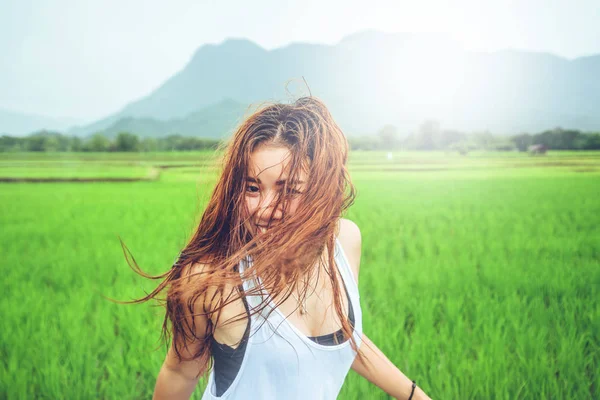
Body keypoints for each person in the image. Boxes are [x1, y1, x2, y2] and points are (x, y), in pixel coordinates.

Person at [125, 96, 431, 399]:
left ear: (320, 190)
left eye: (289, 190)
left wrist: (414, 394)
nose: (264, 209)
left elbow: (344, 333)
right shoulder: (211, 279)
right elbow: (180, 371)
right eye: (253, 188)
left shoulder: (344, 242)